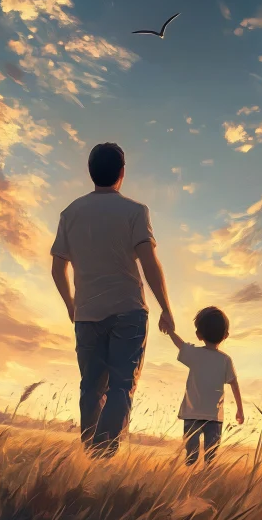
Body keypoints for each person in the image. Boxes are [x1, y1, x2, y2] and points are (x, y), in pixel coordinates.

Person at [51, 142, 175, 457]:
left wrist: (71, 305)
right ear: (122, 173)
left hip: (87, 315)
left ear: (91, 172)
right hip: (129, 312)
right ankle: (103, 457)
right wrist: (166, 308)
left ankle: (89, 459)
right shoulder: (135, 211)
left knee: (91, 389)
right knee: (121, 387)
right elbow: (149, 262)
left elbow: (57, 268)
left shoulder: (70, 213)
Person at [163, 306, 244, 466]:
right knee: (211, 456)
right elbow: (234, 384)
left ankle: (188, 479)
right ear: (226, 335)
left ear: (199, 335)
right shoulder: (225, 360)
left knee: (191, 454)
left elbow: (180, 344)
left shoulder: (195, 354)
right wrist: (240, 409)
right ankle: (204, 481)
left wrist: (170, 331)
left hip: (192, 414)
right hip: (214, 417)